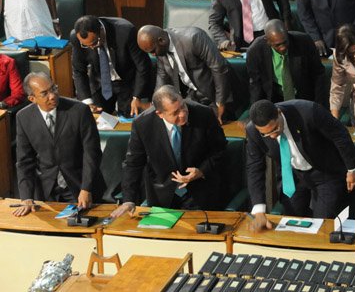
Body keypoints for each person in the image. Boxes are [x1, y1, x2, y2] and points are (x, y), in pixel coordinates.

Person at [110, 85, 227, 217]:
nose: (182, 114)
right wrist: (129, 200)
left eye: (183, 106)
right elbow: (133, 163)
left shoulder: (204, 113)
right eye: (175, 113)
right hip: (162, 195)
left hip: (200, 192)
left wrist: (202, 171)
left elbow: (220, 149)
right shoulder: (142, 124)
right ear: (160, 114)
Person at [245, 99, 355, 231]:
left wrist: (352, 169)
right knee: (291, 225)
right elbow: (254, 168)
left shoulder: (308, 111)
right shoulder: (253, 132)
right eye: (265, 133)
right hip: (292, 176)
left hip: (324, 171)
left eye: (275, 129)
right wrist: (259, 211)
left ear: (278, 112)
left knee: (321, 225)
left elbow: (340, 135)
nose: (272, 136)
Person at [14, 72, 102, 217]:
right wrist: (26, 197)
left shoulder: (79, 111)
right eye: (44, 93)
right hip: (46, 189)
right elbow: (24, 161)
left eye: (53, 89)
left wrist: (86, 188)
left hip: (79, 186)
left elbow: (91, 152)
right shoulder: (24, 117)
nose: (52, 95)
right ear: (32, 99)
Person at [137, 25, 232, 125]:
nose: (153, 55)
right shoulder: (160, 49)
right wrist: (156, 105)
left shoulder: (193, 37)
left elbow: (219, 67)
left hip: (218, 94)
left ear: (161, 41)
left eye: (152, 51)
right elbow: (162, 77)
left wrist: (220, 102)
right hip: (194, 94)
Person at [70, 15, 153, 117]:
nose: (91, 48)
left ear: (100, 31)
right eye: (85, 45)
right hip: (100, 82)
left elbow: (143, 65)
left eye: (94, 43)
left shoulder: (125, 31)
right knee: (95, 117)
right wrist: (87, 102)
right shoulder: (75, 38)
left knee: (130, 117)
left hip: (127, 81)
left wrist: (137, 97)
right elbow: (78, 71)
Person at [246, 19, 327, 107]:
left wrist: (319, 105)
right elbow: (255, 85)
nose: (282, 48)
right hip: (274, 101)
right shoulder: (255, 51)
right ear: (267, 40)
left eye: (285, 42)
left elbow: (319, 74)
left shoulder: (304, 42)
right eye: (277, 45)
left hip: (305, 98)